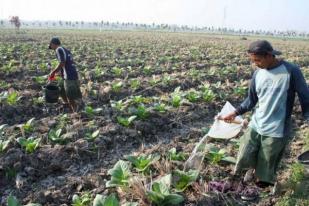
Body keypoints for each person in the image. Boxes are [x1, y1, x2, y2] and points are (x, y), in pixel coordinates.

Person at [222, 40, 309, 188]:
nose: (255, 63)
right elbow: (251, 99)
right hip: (256, 124)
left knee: (266, 166)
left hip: (277, 129)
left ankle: (259, 190)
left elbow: (305, 97)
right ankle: (244, 180)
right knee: (244, 154)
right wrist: (235, 113)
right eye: (253, 60)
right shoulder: (257, 73)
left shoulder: (290, 71)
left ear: (269, 56)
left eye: (258, 60)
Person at [48, 37, 83, 112]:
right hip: (73, 74)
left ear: (53, 44)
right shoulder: (66, 50)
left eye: (52, 47)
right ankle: (67, 104)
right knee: (60, 87)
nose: (53, 49)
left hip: (69, 76)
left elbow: (62, 62)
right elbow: (67, 63)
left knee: (70, 95)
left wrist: (53, 72)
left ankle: (75, 111)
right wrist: (60, 73)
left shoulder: (58, 49)